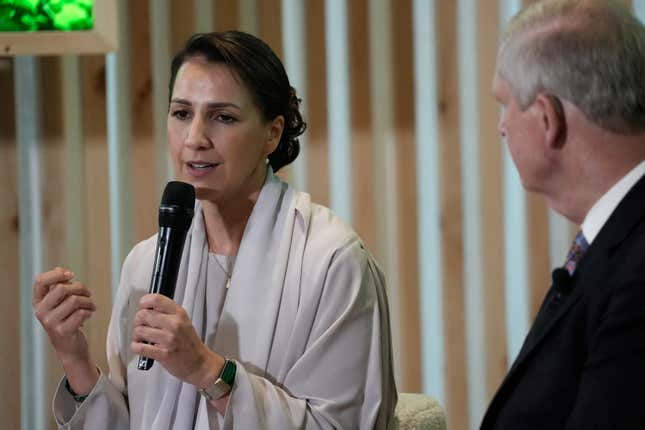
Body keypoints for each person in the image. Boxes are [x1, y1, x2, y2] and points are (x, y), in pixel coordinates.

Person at [33, 31, 397, 429]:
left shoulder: (332, 262)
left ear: (272, 133)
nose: (194, 139)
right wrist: (74, 356)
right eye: (181, 113)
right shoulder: (146, 263)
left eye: (223, 117)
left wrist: (209, 371)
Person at [482, 1, 645, 428]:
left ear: (546, 117)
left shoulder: (638, 270)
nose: (501, 126)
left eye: (504, 103)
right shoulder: (615, 241)